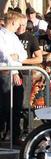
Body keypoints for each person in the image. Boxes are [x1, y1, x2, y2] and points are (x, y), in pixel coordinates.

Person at [0, 11, 27, 144]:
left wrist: (16, 57)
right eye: (18, 24)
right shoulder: (1, 35)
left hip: (16, 73)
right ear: (13, 22)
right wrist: (14, 70)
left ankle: (15, 135)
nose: (19, 26)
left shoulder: (15, 37)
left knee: (17, 106)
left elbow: (23, 54)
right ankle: (1, 134)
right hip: (5, 74)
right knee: (4, 106)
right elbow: (4, 55)